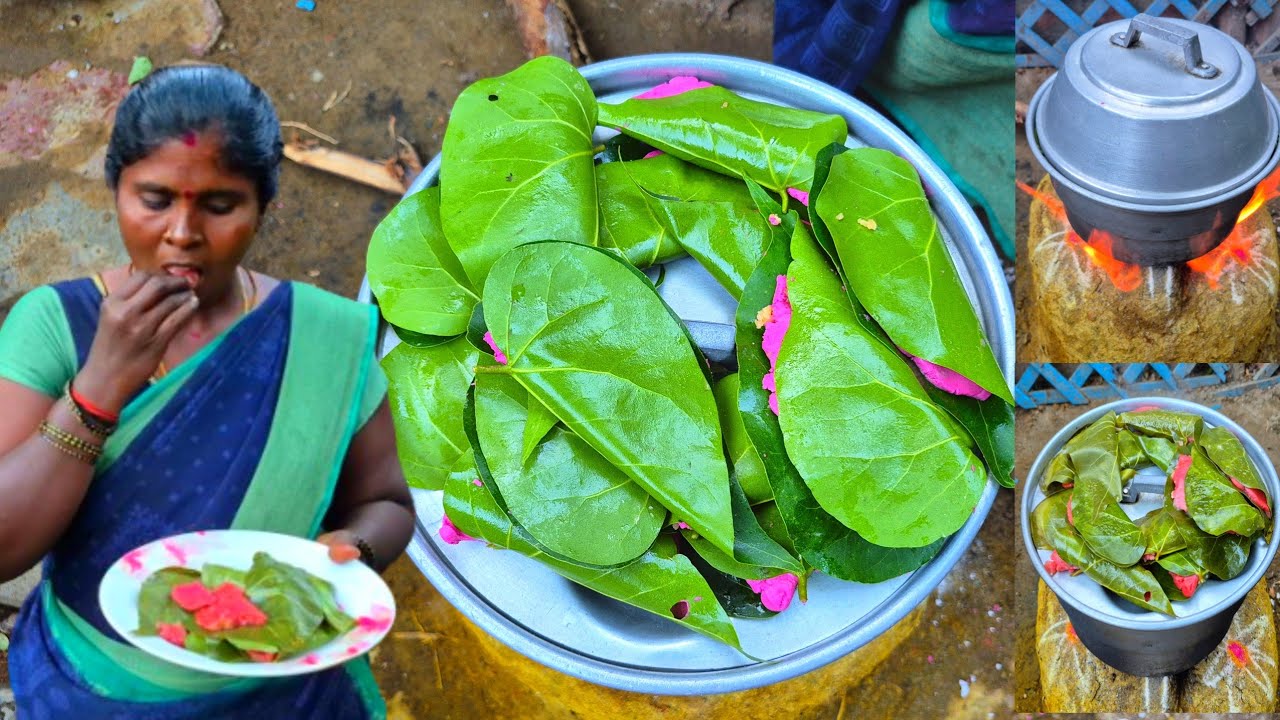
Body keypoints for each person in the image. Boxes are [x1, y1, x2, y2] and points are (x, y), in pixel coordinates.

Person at [0, 64, 414, 719]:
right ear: (116, 190)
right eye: (156, 198)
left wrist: (349, 553)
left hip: (283, 688)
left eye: (220, 205)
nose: (183, 233)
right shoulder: (55, 327)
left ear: (263, 207)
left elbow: (387, 503)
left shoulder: (324, 338)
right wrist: (99, 387)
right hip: (100, 691)